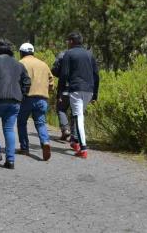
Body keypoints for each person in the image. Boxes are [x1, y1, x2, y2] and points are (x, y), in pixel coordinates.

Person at [0, 41, 31, 169]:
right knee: (9, 129)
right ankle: (10, 160)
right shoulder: (19, 64)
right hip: (14, 101)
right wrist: (22, 96)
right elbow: (27, 82)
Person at [59, 31, 99, 159]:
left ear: (71, 41)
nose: (66, 43)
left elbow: (64, 74)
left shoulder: (68, 54)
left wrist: (60, 92)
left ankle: (83, 148)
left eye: (67, 40)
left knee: (78, 117)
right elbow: (96, 75)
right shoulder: (89, 54)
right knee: (79, 115)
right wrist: (95, 94)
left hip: (76, 89)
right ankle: (75, 141)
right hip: (89, 89)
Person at [17, 42, 54, 161]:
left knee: (22, 122)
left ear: (21, 52)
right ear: (33, 52)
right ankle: (45, 142)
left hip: (26, 98)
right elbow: (51, 82)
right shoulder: (43, 64)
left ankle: (24, 147)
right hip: (42, 98)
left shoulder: (20, 63)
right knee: (40, 123)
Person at [51, 49, 72, 141]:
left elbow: (55, 70)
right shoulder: (85, 54)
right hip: (80, 89)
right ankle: (75, 136)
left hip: (65, 87)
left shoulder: (63, 54)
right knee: (76, 113)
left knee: (61, 109)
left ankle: (66, 129)